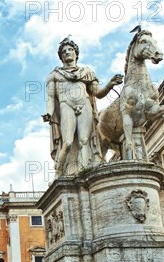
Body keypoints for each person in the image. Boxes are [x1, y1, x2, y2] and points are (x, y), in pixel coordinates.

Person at [43, 38, 123, 176]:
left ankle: (84, 171)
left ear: (76, 53)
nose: (67, 52)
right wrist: (49, 113)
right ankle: (59, 171)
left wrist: (110, 84)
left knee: (84, 141)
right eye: (64, 51)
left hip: (84, 104)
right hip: (66, 105)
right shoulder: (54, 75)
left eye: (70, 50)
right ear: (61, 56)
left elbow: (97, 93)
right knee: (67, 142)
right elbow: (50, 98)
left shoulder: (86, 72)